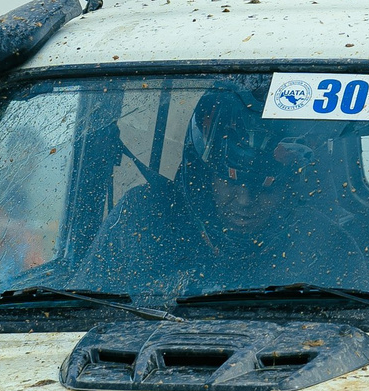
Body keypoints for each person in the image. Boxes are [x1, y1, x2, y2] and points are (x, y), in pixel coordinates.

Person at [77, 87, 350, 297]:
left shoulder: (323, 244)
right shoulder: (144, 217)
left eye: (266, 187)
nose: (245, 201)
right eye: (230, 182)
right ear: (205, 177)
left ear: (288, 189)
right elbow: (85, 303)